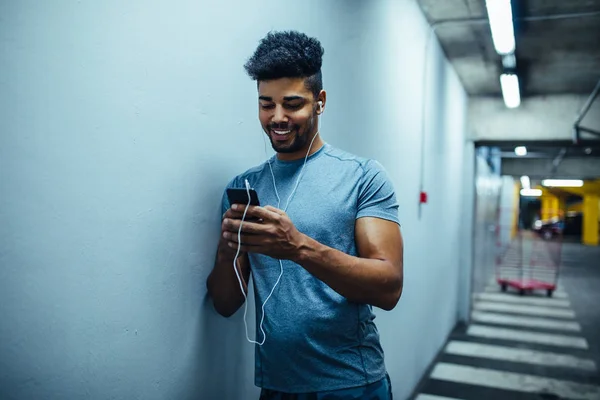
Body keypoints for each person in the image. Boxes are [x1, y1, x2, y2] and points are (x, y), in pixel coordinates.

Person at [206, 30, 404, 400]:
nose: (277, 117)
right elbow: (225, 304)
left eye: (292, 104)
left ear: (320, 102)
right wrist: (227, 249)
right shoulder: (246, 185)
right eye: (266, 104)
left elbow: (389, 286)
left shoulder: (363, 176)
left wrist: (297, 246)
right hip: (276, 387)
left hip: (351, 384)